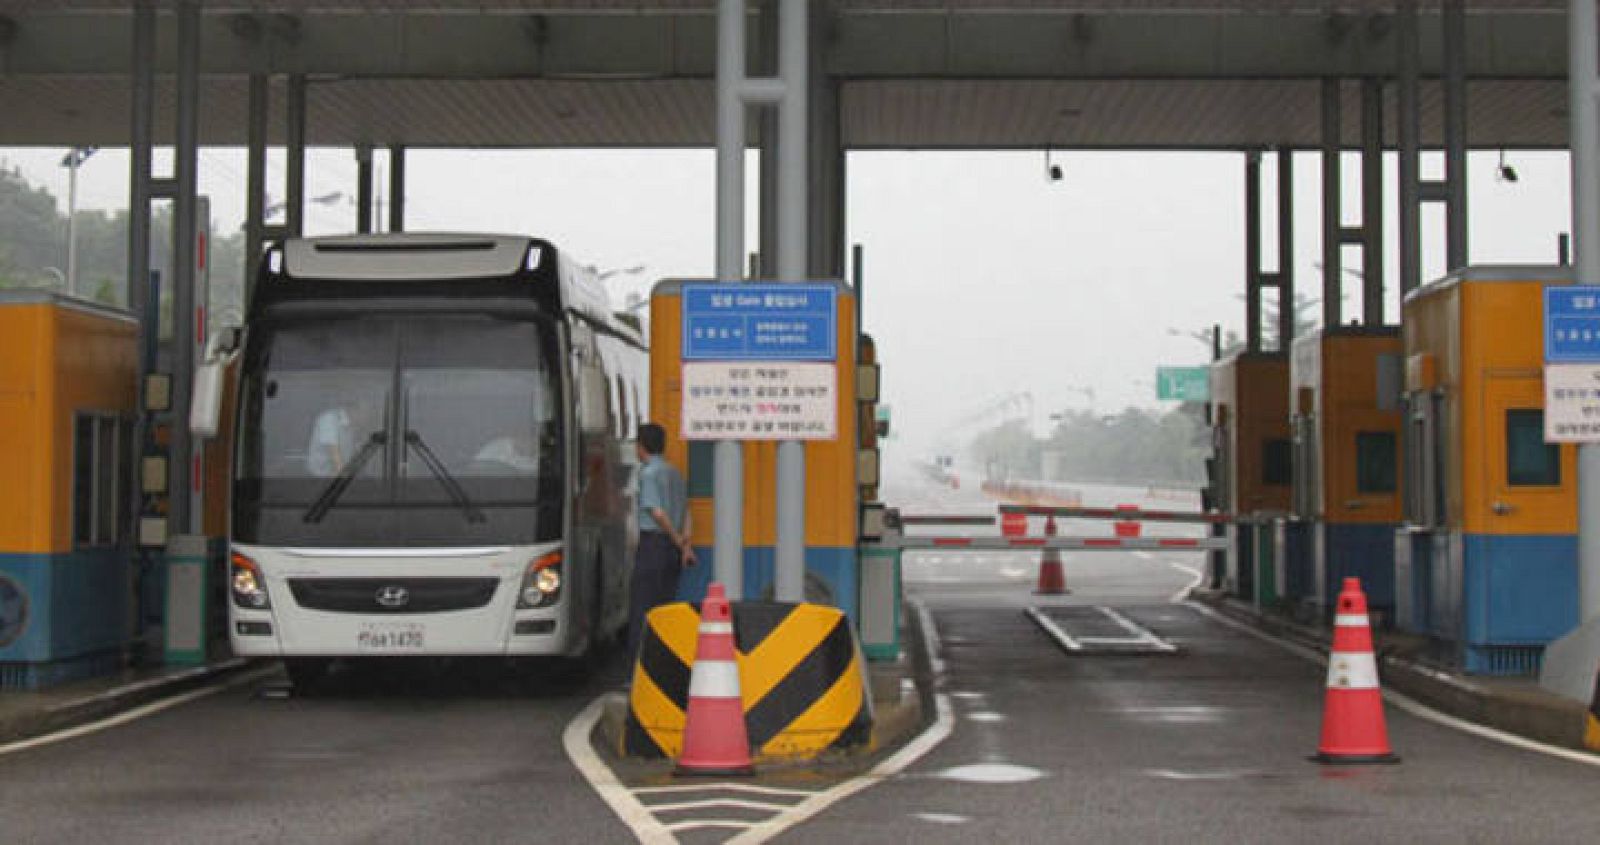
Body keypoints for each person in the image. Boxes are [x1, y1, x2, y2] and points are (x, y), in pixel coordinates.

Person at [627, 422, 696, 661]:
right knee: (665, 608)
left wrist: (675, 538)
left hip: (653, 545)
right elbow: (687, 512)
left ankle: (640, 668)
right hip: (672, 553)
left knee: (643, 610)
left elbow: (656, 512)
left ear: (641, 446)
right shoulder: (674, 473)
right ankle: (661, 664)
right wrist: (685, 547)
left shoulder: (648, 474)